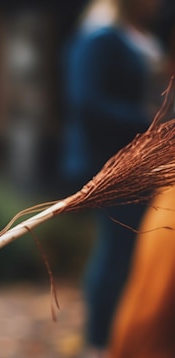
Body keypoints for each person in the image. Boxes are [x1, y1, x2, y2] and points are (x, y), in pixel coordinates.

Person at [60, 0, 166, 355]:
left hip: (136, 161)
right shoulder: (98, 40)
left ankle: (120, 336)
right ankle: (99, 341)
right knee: (116, 250)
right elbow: (85, 101)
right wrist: (147, 121)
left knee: (128, 251)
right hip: (109, 164)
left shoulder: (136, 37)